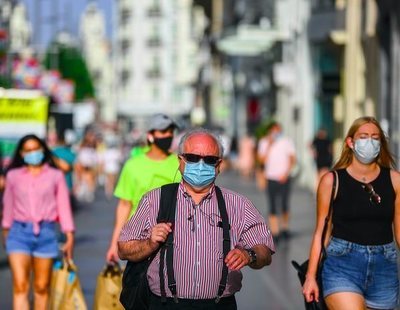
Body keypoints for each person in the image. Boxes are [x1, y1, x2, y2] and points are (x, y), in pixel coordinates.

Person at [118, 128, 275, 309]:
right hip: (165, 304)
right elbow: (123, 248)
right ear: (180, 161)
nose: (200, 165)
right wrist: (150, 244)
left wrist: (249, 255)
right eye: (193, 158)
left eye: (209, 160)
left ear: (218, 165)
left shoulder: (238, 205)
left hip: (219, 305)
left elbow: (265, 250)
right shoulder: (155, 200)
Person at [302, 116, 400, 309]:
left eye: (375, 137)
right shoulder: (332, 180)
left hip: (384, 267)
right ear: (350, 142)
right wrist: (310, 276)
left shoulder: (395, 180)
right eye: (363, 136)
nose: (369, 142)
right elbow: (321, 232)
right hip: (342, 264)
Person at [1, 134, 75, 309]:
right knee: (20, 286)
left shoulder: (55, 176)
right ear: (21, 153)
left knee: (42, 288)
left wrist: (69, 234)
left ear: (43, 149)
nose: (33, 153)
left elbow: (63, 206)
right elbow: (8, 205)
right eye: (28, 150)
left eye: (36, 148)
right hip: (18, 233)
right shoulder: (13, 176)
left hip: (46, 233)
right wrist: (6, 232)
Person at [105, 113, 181, 263]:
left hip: (171, 236)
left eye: (171, 132)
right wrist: (115, 243)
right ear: (150, 135)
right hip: (137, 237)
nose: (168, 135)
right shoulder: (133, 165)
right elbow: (125, 205)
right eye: (163, 131)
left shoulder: (180, 163)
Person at [257, 121, 296, 241]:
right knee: (272, 205)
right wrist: (269, 145)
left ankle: (285, 228)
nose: (275, 133)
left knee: (284, 204)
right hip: (271, 177)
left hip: (284, 177)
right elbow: (261, 161)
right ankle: (275, 231)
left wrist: (286, 173)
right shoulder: (263, 142)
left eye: (278, 130)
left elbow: (292, 159)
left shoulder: (287, 141)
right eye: (273, 130)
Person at [52, 132, 77, 210]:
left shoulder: (53, 152)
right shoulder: (69, 152)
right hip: (67, 181)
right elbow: (76, 165)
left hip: (54, 183)